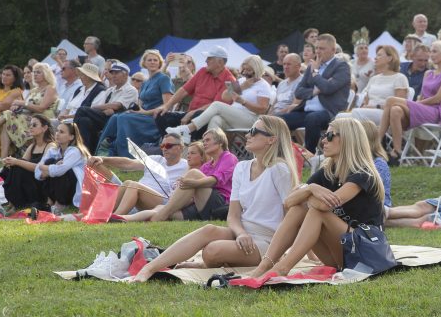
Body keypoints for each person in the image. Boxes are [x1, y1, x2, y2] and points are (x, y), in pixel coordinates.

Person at [127, 116, 299, 281]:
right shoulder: (242, 167)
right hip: (242, 232)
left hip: (267, 241)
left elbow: (291, 219)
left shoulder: (279, 170)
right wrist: (241, 233)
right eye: (249, 130)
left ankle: (203, 263)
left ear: (271, 139)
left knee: (212, 250)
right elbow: (232, 216)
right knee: (208, 229)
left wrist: (279, 255)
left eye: (254, 131)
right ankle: (149, 268)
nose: (248, 135)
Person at [246, 118, 386, 278]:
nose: (324, 140)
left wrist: (307, 193)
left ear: (348, 139)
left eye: (330, 135)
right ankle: (265, 265)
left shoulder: (363, 174)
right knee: (299, 208)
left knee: (316, 212)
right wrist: (311, 189)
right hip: (343, 254)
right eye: (324, 135)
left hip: (368, 254)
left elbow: (325, 206)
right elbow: (288, 202)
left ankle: (282, 268)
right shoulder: (328, 171)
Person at [121, 129, 237, 222]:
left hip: (219, 203)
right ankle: (122, 218)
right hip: (197, 204)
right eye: (204, 140)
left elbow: (215, 180)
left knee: (193, 174)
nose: (204, 143)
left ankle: (161, 215)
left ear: (220, 142)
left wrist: (191, 183)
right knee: (160, 208)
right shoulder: (207, 166)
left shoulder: (228, 157)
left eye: (207, 140)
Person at [378, 40, 441, 164]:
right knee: (395, 110)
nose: (431, 54)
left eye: (435, 51)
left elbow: (438, 99)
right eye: (431, 51)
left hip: (435, 112)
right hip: (423, 108)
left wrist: (417, 104)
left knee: (390, 100)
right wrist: (418, 102)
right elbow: (421, 96)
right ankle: (397, 151)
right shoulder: (428, 73)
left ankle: (376, 144)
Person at [166, 55, 270, 143]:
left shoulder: (263, 85)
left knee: (216, 105)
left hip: (250, 119)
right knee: (215, 119)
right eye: (245, 69)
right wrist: (242, 86)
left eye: (249, 70)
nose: (246, 72)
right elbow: (225, 96)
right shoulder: (242, 80)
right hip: (234, 116)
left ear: (257, 70)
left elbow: (263, 109)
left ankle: (187, 129)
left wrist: (243, 102)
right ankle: (213, 152)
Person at [0, 62, 59, 159]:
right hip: (30, 118)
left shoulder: (50, 88)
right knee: (6, 121)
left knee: (7, 114)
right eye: (34, 72)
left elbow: (41, 108)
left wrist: (23, 104)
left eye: (38, 72)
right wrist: (17, 106)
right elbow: (25, 105)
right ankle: (3, 159)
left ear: (46, 74)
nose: (35, 74)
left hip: (43, 120)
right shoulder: (34, 90)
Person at [281, 33, 351, 153]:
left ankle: (309, 154)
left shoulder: (341, 66)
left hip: (329, 112)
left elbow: (328, 88)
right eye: (317, 48)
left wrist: (315, 72)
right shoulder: (312, 66)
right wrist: (314, 91)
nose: (318, 51)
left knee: (312, 119)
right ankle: (283, 154)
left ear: (333, 50)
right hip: (306, 111)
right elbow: (298, 92)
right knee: (279, 121)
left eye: (322, 48)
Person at [90, 132, 188, 217]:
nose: (164, 149)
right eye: (162, 146)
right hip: (132, 195)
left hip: (160, 202)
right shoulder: (155, 159)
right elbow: (128, 163)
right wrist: (103, 159)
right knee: (96, 164)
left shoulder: (186, 166)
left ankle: (116, 217)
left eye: (168, 146)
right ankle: (96, 213)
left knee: (133, 185)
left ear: (180, 147)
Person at [97, 50, 173, 156]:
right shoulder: (146, 82)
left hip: (155, 118)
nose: (152, 62)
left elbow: (167, 106)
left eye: (155, 60)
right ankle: (100, 151)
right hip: (142, 115)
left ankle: (125, 156)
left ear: (159, 63)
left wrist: (143, 112)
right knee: (117, 116)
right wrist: (135, 111)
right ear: (144, 63)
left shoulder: (164, 79)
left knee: (123, 118)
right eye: (149, 60)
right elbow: (140, 104)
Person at [153, 46, 236, 137]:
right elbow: (183, 90)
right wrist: (166, 106)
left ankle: (187, 145)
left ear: (220, 62)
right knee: (160, 115)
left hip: (206, 117)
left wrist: (191, 113)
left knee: (198, 114)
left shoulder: (231, 81)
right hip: (190, 114)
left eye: (209, 58)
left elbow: (215, 106)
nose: (206, 61)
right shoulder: (202, 71)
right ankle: (171, 145)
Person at [336, 46, 409, 126]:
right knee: (340, 116)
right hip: (368, 112)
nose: (375, 58)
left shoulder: (400, 78)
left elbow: (400, 104)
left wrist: (375, 107)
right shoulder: (374, 79)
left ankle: (357, 138)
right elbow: (366, 101)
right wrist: (365, 106)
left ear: (390, 58)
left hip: (385, 113)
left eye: (379, 55)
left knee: (357, 113)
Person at [73, 61, 137, 152]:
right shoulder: (110, 90)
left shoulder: (131, 90)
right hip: (105, 117)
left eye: (117, 73)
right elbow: (105, 107)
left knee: (82, 110)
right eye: (112, 73)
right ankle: (84, 152)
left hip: (117, 120)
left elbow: (117, 105)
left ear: (126, 74)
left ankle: (72, 140)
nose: (113, 75)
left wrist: (95, 108)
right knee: (84, 121)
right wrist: (106, 108)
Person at [0, 114, 55, 210]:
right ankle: (13, 202)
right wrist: (10, 162)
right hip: (31, 181)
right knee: (8, 169)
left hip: (41, 183)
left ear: (44, 128)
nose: (31, 127)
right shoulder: (32, 146)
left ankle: (17, 203)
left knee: (17, 167)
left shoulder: (50, 146)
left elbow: (40, 168)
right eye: (30, 125)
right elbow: (22, 162)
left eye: (34, 125)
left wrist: (17, 162)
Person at [33, 121, 89, 214]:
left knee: (66, 170)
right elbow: (37, 173)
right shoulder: (53, 151)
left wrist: (44, 167)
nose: (57, 134)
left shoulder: (75, 151)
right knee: (51, 162)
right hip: (60, 184)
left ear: (71, 137)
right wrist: (48, 169)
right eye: (57, 131)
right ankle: (50, 202)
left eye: (62, 132)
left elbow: (60, 171)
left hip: (76, 188)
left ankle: (61, 203)